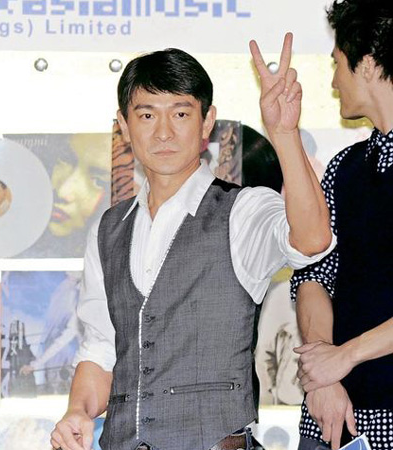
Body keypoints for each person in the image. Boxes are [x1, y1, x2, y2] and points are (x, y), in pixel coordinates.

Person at [51, 35, 334, 450]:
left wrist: (284, 133)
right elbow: (102, 347)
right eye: (147, 115)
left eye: (180, 113)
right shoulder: (108, 229)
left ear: (206, 122)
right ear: (124, 126)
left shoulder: (242, 210)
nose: (164, 132)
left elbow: (311, 240)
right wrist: (78, 411)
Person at [291, 1, 393, 449]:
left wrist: (345, 356)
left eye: (337, 63)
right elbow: (312, 274)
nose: (334, 82)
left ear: (367, 64)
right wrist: (323, 373)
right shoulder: (344, 168)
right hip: (333, 419)